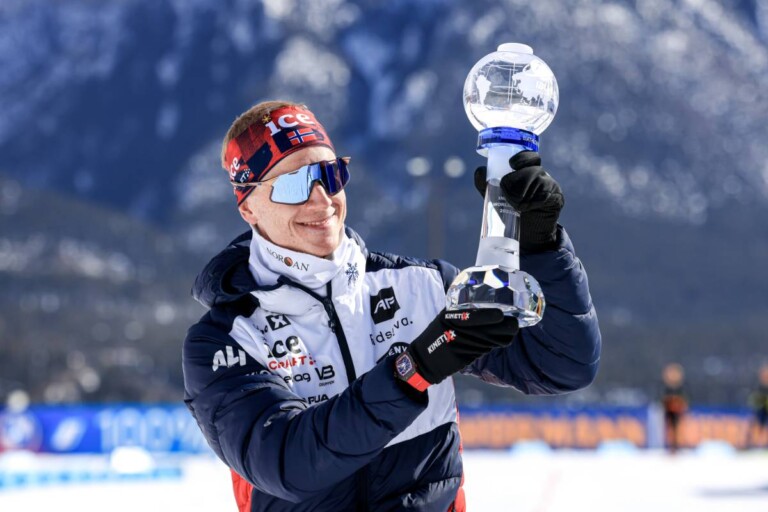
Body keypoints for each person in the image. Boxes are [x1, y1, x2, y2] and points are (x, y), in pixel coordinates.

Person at [182, 100, 601, 511]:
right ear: (248, 207)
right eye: (294, 184)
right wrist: (414, 369)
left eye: (330, 174)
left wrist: (541, 246)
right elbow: (287, 462)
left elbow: (562, 365)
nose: (322, 200)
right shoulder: (224, 340)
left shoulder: (420, 285)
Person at [661, 363, 688, 453]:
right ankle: (671, 446)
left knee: (678, 429)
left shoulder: (681, 389)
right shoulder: (666, 389)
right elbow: (662, 400)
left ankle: (677, 445)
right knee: (669, 429)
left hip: (677, 411)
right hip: (669, 411)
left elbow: (684, 401)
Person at [747, 364, 768, 449]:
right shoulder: (758, 387)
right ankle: (756, 443)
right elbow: (753, 400)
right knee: (757, 426)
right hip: (761, 411)